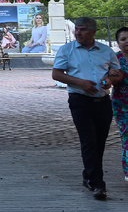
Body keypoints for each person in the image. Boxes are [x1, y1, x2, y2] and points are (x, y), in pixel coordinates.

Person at [52, 17, 123, 200]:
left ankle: (89, 174)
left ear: (92, 31)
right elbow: (57, 74)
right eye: (76, 29)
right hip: (79, 100)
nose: (77, 33)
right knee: (89, 140)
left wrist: (111, 80)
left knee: (99, 142)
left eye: (82, 30)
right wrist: (80, 83)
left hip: (102, 101)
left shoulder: (106, 51)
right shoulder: (67, 50)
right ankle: (98, 183)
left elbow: (116, 73)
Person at [112, 27, 128, 185]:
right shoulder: (114, 59)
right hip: (122, 106)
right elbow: (105, 80)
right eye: (123, 39)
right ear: (118, 43)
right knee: (127, 139)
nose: (127, 41)